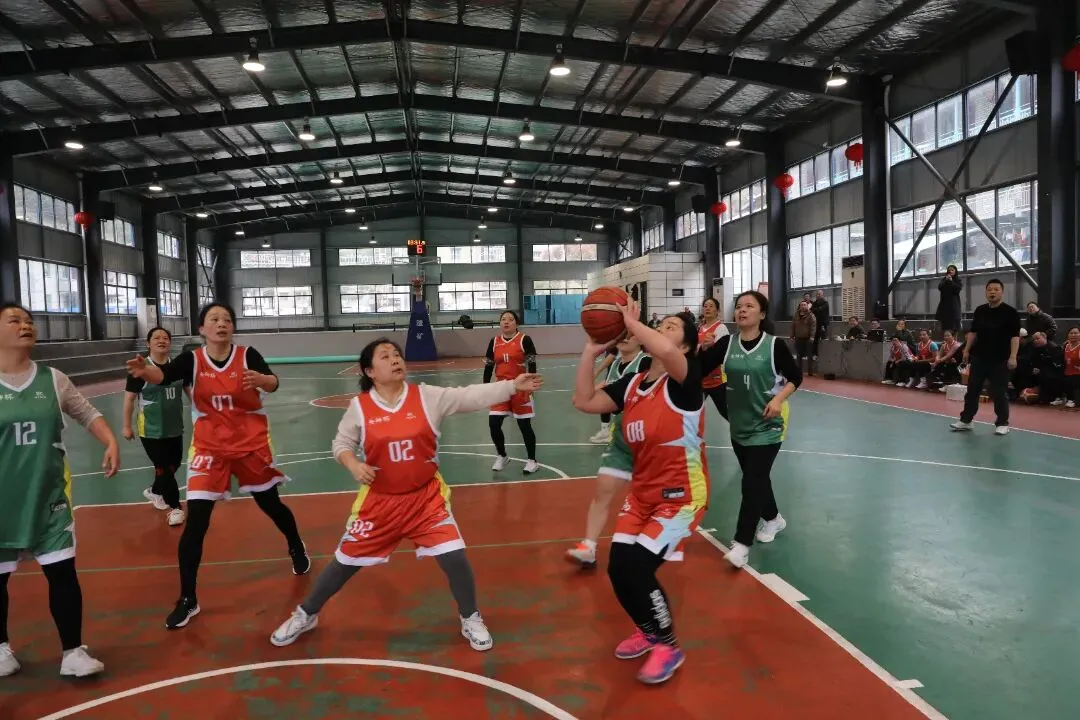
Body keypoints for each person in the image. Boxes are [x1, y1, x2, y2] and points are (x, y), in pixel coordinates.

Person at [270, 338, 543, 650]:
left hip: (425, 498)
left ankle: (470, 616)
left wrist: (512, 386)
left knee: (454, 556)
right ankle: (306, 614)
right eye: (385, 356)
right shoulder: (360, 407)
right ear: (370, 371)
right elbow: (341, 444)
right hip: (380, 503)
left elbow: (468, 396)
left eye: (397, 354)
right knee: (344, 563)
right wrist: (353, 464)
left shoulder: (426, 396)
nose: (395, 359)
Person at [126, 302, 310, 630]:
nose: (221, 323)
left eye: (226, 319)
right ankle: (188, 599)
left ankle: (295, 545)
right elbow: (163, 375)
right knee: (197, 522)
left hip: (250, 444)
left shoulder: (248, 355)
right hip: (209, 448)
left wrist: (264, 380)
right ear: (202, 329)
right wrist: (145, 371)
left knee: (270, 504)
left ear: (232, 327)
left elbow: (273, 382)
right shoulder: (193, 360)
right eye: (214, 319)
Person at [572, 303, 707, 685]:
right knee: (618, 568)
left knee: (637, 568)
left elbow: (664, 351)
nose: (662, 330)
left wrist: (631, 322)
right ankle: (648, 631)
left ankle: (668, 646)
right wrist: (590, 351)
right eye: (660, 325)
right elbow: (583, 401)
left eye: (672, 327)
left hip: (681, 498)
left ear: (685, 347)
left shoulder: (686, 379)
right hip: (643, 495)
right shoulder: (632, 384)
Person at [0, 302, 119, 678]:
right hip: (2, 502)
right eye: (14, 320)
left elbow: (86, 412)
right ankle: (0, 648)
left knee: (62, 572)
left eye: (29, 320)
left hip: (48, 496)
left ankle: (72, 652)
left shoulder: (53, 379)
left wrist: (110, 440)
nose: (25, 325)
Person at [699, 291, 802, 569]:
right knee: (757, 478)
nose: (742, 310)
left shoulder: (774, 346)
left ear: (762, 314)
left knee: (751, 480)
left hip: (769, 425)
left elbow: (796, 377)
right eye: (739, 306)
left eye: (749, 306)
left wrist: (778, 400)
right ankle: (774, 519)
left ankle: (742, 544)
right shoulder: (726, 344)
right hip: (739, 424)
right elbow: (699, 369)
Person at [567, 334, 649, 567]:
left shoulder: (646, 362)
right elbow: (587, 397)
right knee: (603, 491)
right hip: (621, 438)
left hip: (648, 440)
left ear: (641, 339)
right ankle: (589, 547)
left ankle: (647, 546)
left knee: (646, 498)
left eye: (631, 334)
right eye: (622, 334)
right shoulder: (615, 365)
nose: (625, 338)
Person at [123, 326, 186, 527]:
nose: (161, 340)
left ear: (170, 342)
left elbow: (190, 391)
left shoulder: (177, 367)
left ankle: (155, 491)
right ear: (148, 343)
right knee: (163, 468)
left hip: (174, 427)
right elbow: (129, 399)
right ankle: (175, 507)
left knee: (174, 464)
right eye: (156, 337)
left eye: (165, 337)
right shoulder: (140, 368)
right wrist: (126, 426)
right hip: (150, 430)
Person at [951, 279, 1020, 435]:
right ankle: (966, 420)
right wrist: (966, 350)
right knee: (972, 390)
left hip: (1000, 359)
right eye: (989, 290)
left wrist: (1013, 356)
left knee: (998, 392)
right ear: (986, 292)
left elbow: (1015, 337)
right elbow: (973, 332)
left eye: (996, 289)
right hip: (979, 358)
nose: (992, 292)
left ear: (1002, 292)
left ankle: (1002, 423)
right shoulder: (980, 310)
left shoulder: (1010, 312)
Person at [484, 310, 539, 473]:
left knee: (524, 425)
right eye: (503, 319)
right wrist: (485, 386)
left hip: (520, 388)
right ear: (500, 323)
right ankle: (502, 456)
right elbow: (489, 365)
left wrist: (531, 383)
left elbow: (532, 363)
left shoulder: (524, 339)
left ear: (516, 323)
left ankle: (532, 461)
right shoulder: (494, 341)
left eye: (510, 319)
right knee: (494, 424)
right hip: (500, 388)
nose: (506, 322)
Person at [698, 298, 730, 419]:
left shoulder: (721, 328)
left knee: (727, 413)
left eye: (711, 306)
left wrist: (705, 348)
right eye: (705, 306)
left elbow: (720, 354)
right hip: (701, 381)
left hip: (717, 381)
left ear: (717, 310)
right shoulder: (700, 328)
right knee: (694, 413)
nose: (707, 308)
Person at [936, 265, 963, 333]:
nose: (950, 271)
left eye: (952, 270)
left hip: (954, 307)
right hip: (945, 306)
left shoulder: (958, 280)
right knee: (945, 327)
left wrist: (951, 281)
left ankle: (954, 338)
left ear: (955, 271)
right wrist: (946, 280)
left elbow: (957, 289)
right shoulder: (944, 280)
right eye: (949, 270)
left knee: (955, 327)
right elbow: (940, 287)